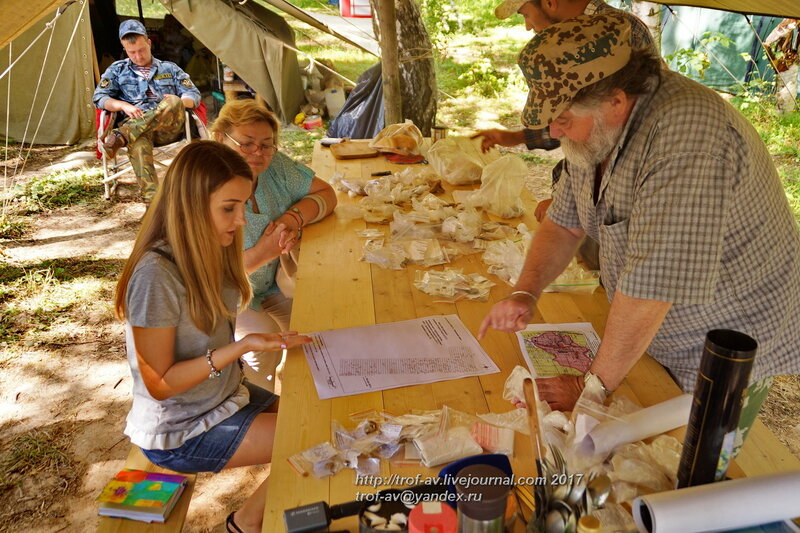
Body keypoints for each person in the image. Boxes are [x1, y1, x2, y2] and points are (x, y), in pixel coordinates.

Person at [478, 14, 800, 456]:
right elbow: (564, 221)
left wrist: (592, 389)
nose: (553, 131)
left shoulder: (688, 138)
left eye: (564, 119)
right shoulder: (595, 130)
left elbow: (653, 287)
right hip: (654, 332)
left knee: (692, 472)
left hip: (725, 335)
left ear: (615, 100)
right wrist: (526, 291)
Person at [114, 140, 311, 533]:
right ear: (190, 205)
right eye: (229, 208)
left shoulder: (205, 245)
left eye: (243, 205)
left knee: (316, 419)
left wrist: (271, 249)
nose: (241, 219)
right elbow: (159, 384)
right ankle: (245, 524)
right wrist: (239, 347)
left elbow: (231, 274)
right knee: (310, 440)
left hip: (224, 397)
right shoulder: (156, 275)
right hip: (181, 430)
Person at [474, 0, 658, 224]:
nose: (528, 26)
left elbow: (609, 134)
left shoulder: (615, 30)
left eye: (525, 14)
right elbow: (570, 118)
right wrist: (517, 137)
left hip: (617, 209)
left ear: (550, 3)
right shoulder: (566, 38)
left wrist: (568, 202)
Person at [210, 99, 337, 390]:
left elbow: (326, 194)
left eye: (267, 144)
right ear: (220, 139)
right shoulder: (204, 186)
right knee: (260, 346)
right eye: (246, 143)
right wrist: (263, 252)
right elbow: (209, 273)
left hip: (274, 284)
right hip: (227, 297)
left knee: (325, 325)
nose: (258, 153)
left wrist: (292, 219)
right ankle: (260, 405)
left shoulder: (274, 167)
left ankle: (307, 400)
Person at [94, 19, 201, 202]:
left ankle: (122, 136)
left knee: (174, 101)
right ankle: (152, 205)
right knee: (139, 143)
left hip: (168, 129)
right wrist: (123, 105)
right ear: (124, 48)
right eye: (132, 52)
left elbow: (194, 95)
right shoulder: (117, 70)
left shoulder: (170, 68)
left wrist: (180, 102)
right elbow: (99, 98)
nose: (138, 56)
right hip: (140, 132)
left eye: (142, 50)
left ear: (149, 43)